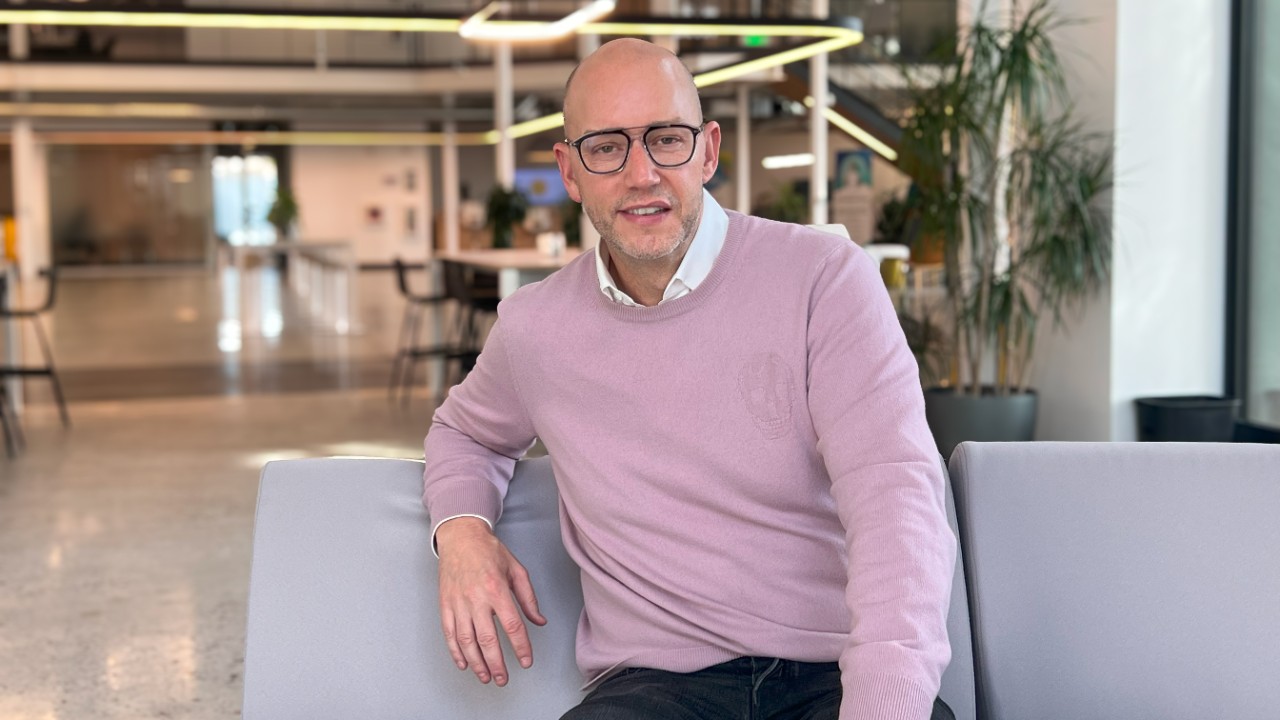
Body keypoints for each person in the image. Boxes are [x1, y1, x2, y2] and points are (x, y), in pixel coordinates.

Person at [423, 38, 956, 720]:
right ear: (569, 170)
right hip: (652, 687)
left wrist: (884, 704)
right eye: (607, 147)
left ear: (707, 150)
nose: (641, 173)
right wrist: (463, 533)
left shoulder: (825, 279)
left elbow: (896, 502)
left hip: (833, 673)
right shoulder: (534, 328)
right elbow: (463, 432)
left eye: (665, 139)